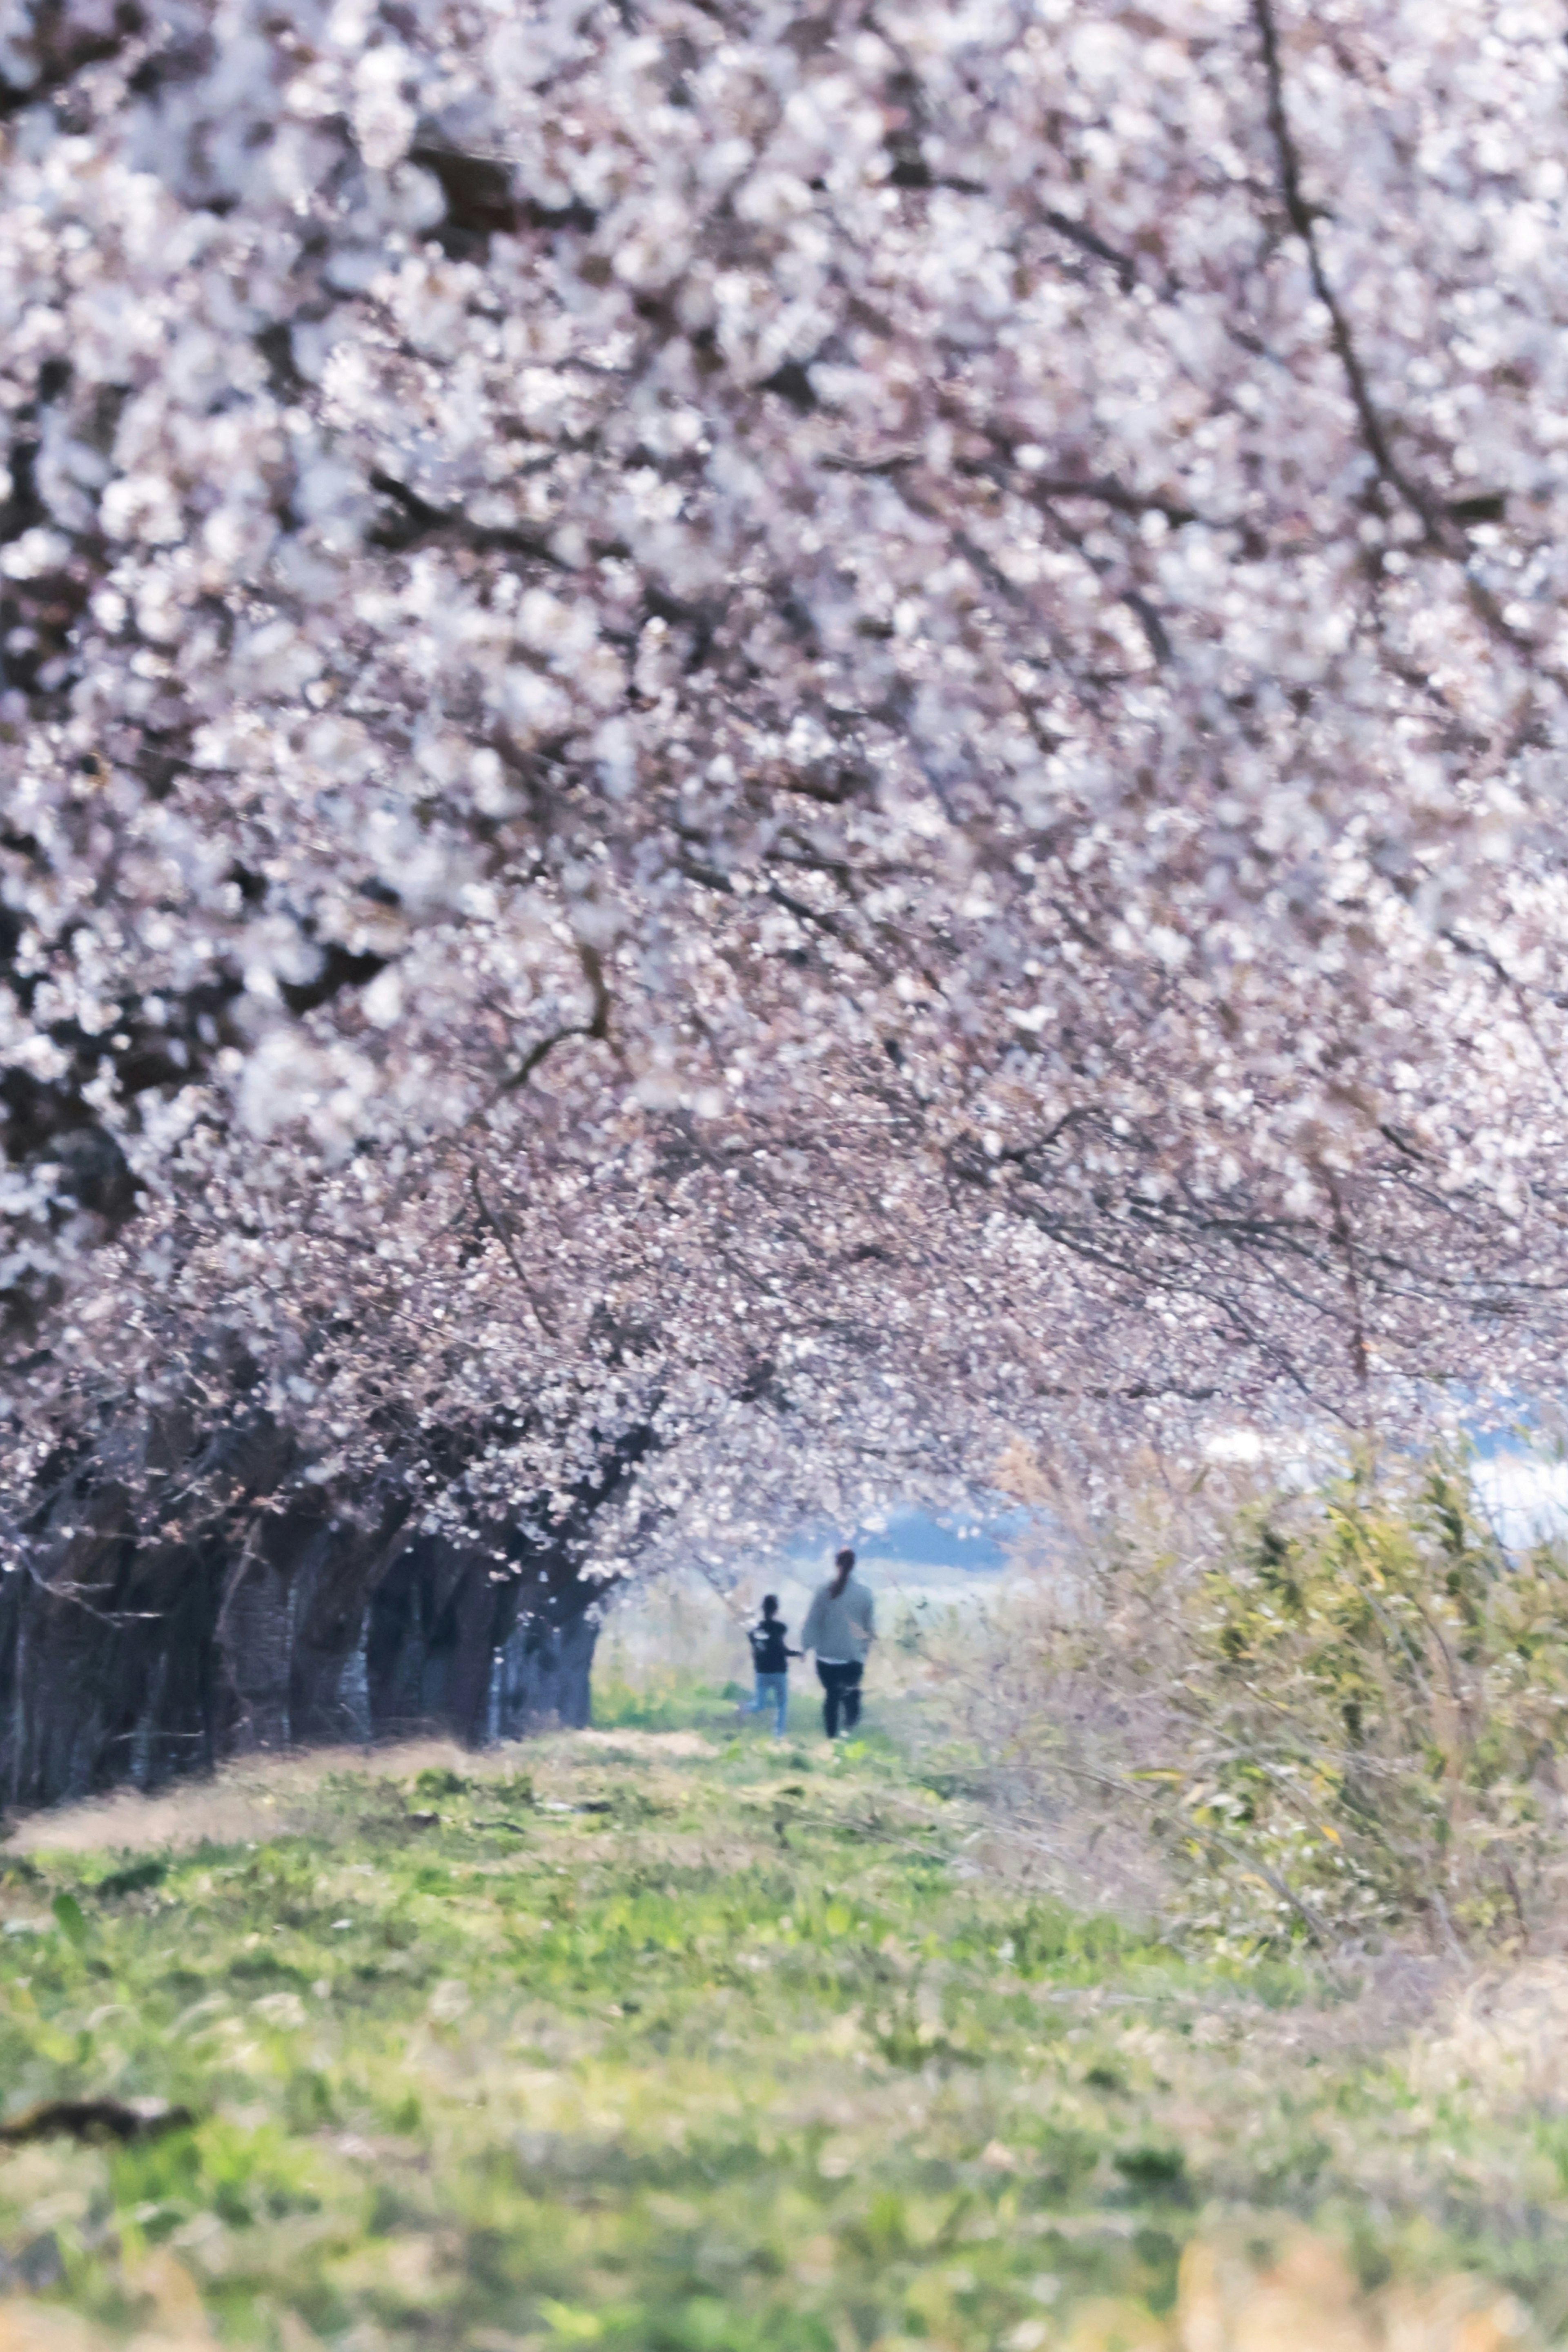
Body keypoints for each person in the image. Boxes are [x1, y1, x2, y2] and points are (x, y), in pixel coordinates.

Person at [800, 1546, 875, 1739]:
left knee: (832, 1696)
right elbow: (869, 1629)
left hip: (826, 1658)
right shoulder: (865, 1594)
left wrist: (806, 1646)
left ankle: (832, 1738)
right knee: (849, 1697)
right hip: (852, 1658)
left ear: (836, 1564)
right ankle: (848, 1728)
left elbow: (813, 1621)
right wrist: (865, 1651)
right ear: (854, 1565)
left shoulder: (824, 1592)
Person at [740, 1594, 798, 1737]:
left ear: (763, 1609)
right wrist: (797, 1654)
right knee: (782, 1705)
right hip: (779, 1672)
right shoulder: (780, 1628)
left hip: (762, 1673)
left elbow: (756, 1651)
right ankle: (778, 1736)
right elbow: (783, 1650)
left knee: (760, 1704)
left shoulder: (755, 1631)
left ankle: (744, 1709)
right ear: (776, 1610)